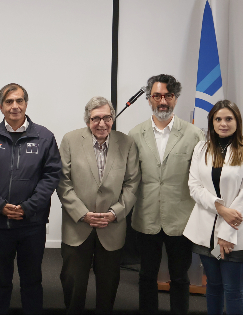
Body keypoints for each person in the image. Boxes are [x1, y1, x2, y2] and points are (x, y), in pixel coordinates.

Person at [0, 83, 61, 314]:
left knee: (32, 280)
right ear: (1, 106)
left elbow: (51, 175)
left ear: (26, 104)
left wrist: (28, 207)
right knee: (0, 279)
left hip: (32, 224)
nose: (15, 106)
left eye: (19, 101)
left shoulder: (44, 136)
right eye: (9, 102)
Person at [128, 74, 205, 314]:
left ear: (176, 98)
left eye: (168, 96)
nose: (163, 101)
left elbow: (200, 179)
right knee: (147, 276)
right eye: (157, 96)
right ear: (149, 99)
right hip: (146, 216)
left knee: (180, 278)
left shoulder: (194, 134)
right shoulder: (135, 134)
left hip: (180, 219)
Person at [57, 96, 140, 314]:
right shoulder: (70, 140)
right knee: (73, 282)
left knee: (108, 283)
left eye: (107, 118)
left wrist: (116, 212)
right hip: (78, 225)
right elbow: (62, 181)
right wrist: (83, 214)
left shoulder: (127, 142)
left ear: (113, 119)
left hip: (111, 225)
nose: (102, 124)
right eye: (96, 119)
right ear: (87, 120)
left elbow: (132, 183)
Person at [183, 100, 243, 315]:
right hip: (204, 232)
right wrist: (219, 207)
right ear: (211, 122)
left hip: (235, 234)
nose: (223, 123)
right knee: (214, 287)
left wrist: (227, 233)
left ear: (237, 121)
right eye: (218, 119)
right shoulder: (201, 148)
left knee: (233, 290)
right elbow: (194, 186)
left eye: (229, 119)